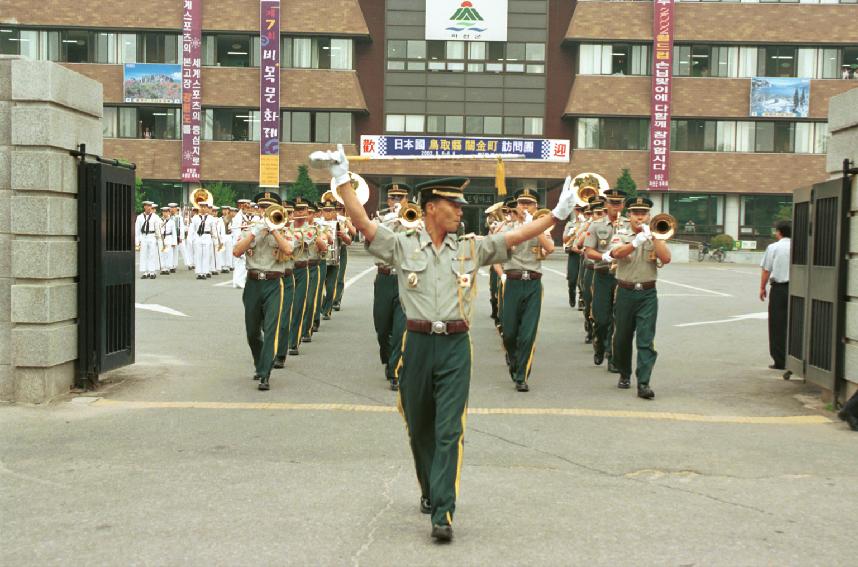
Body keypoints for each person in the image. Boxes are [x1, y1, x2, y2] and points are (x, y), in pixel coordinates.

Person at [320, 143, 578, 542]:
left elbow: (516, 235)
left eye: (460, 205)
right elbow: (365, 224)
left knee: (448, 431)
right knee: (419, 428)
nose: (461, 210)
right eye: (453, 204)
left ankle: (443, 511)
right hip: (418, 345)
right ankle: (430, 488)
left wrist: (557, 215)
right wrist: (341, 179)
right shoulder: (403, 245)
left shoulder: (472, 247)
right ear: (430, 207)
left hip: (457, 346)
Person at [608, 197, 671, 399]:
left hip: (647, 292)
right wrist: (636, 241)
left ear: (649, 216)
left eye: (643, 213)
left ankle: (643, 382)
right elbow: (618, 253)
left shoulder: (656, 235)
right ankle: (624, 373)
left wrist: (653, 238)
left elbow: (666, 258)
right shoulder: (620, 233)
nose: (640, 216)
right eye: (636, 213)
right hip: (625, 291)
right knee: (622, 338)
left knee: (645, 340)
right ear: (629, 215)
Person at [232, 192, 295, 390]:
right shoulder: (251, 229)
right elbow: (236, 251)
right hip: (253, 283)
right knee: (252, 331)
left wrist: (274, 230)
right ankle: (259, 363)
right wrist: (254, 233)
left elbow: (288, 249)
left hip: (274, 283)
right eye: (261, 208)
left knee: (271, 329)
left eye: (268, 208)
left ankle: (265, 373)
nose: (264, 211)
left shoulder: (284, 229)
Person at [498, 188, 555, 392]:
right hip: (512, 281)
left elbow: (549, 248)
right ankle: (514, 359)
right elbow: (500, 249)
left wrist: (534, 227)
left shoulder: (542, 228)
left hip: (532, 282)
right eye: (521, 203)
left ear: (536, 207)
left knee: (528, 333)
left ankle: (522, 375)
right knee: (510, 333)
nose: (524, 207)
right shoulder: (507, 227)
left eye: (529, 203)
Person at [583, 188, 629, 374]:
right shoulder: (596, 225)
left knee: (617, 319)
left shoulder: (628, 225)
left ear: (623, 205)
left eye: (619, 203)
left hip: (622, 277)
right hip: (602, 275)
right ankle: (599, 344)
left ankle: (612, 356)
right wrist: (605, 257)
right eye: (612, 203)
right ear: (606, 205)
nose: (615, 207)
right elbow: (588, 251)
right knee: (601, 319)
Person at [373, 183, 412, 389]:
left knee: (400, 330)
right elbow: (372, 242)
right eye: (393, 198)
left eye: (401, 197)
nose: (396, 201)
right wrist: (390, 221)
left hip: (406, 279)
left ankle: (396, 370)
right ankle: (388, 359)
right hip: (384, 278)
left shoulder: (416, 219)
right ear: (387, 201)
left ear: (407, 200)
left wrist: (406, 222)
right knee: (382, 328)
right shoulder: (381, 221)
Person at [759, 220, 791, 372]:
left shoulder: (774, 247)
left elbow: (766, 269)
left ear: (779, 232)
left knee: (777, 324)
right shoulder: (799, 246)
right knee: (795, 323)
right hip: (797, 289)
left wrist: (762, 287)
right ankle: (795, 357)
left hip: (779, 288)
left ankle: (780, 360)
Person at [134, 201, 163, 279]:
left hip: (152, 236)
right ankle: (145, 272)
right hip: (143, 236)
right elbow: (137, 230)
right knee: (143, 254)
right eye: (147, 206)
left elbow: (157, 229)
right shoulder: (139, 217)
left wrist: (158, 239)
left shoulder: (155, 217)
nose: (149, 207)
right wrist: (137, 241)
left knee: (152, 254)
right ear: (144, 207)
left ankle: (152, 272)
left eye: (150, 206)